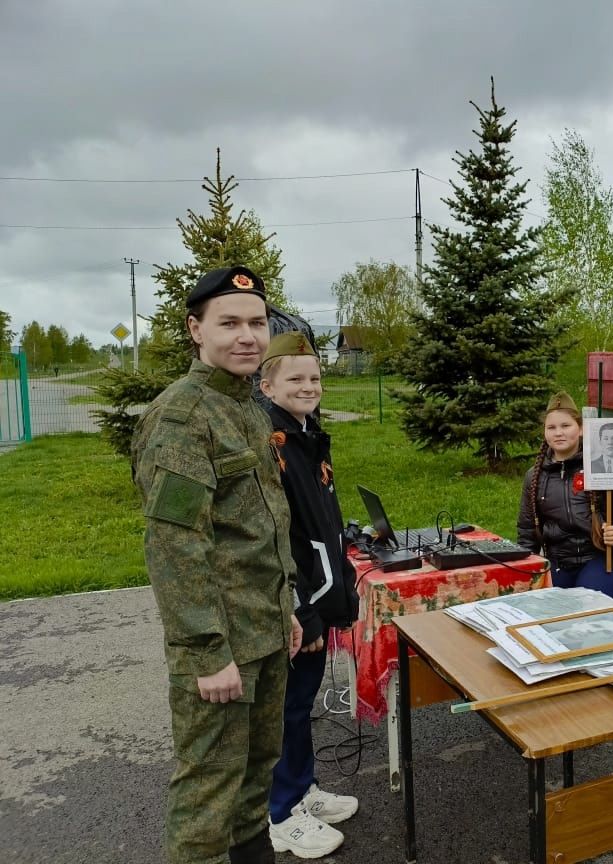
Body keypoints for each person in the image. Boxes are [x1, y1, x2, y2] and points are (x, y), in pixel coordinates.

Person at [131, 266, 303, 864]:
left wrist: (286, 610)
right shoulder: (182, 418)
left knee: (255, 782)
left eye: (256, 323)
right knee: (208, 796)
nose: (247, 336)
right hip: (221, 645)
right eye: (228, 323)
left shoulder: (247, 406)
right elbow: (176, 547)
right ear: (195, 330)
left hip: (263, 631)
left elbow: (258, 527)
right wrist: (208, 652)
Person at [259, 332, 361, 859]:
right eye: (295, 378)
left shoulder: (307, 433)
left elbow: (323, 521)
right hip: (296, 604)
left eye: (314, 377)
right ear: (268, 383)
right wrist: (304, 610)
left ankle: (303, 790)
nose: (308, 386)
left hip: (319, 593)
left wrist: (341, 584)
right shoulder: (269, 443)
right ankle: (280, 813)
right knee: (286, 709)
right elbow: (282, 538)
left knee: (301, 705)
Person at [517, 392, 613, 602]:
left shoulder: (603, 466)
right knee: (546, 614)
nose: (559, 433)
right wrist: (526, 571)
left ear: (581, 429)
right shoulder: (535, 476)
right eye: (552, 427)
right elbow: (527, 530)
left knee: (588, 608)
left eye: (566, 426)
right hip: (558, 562)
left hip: (602, 558)